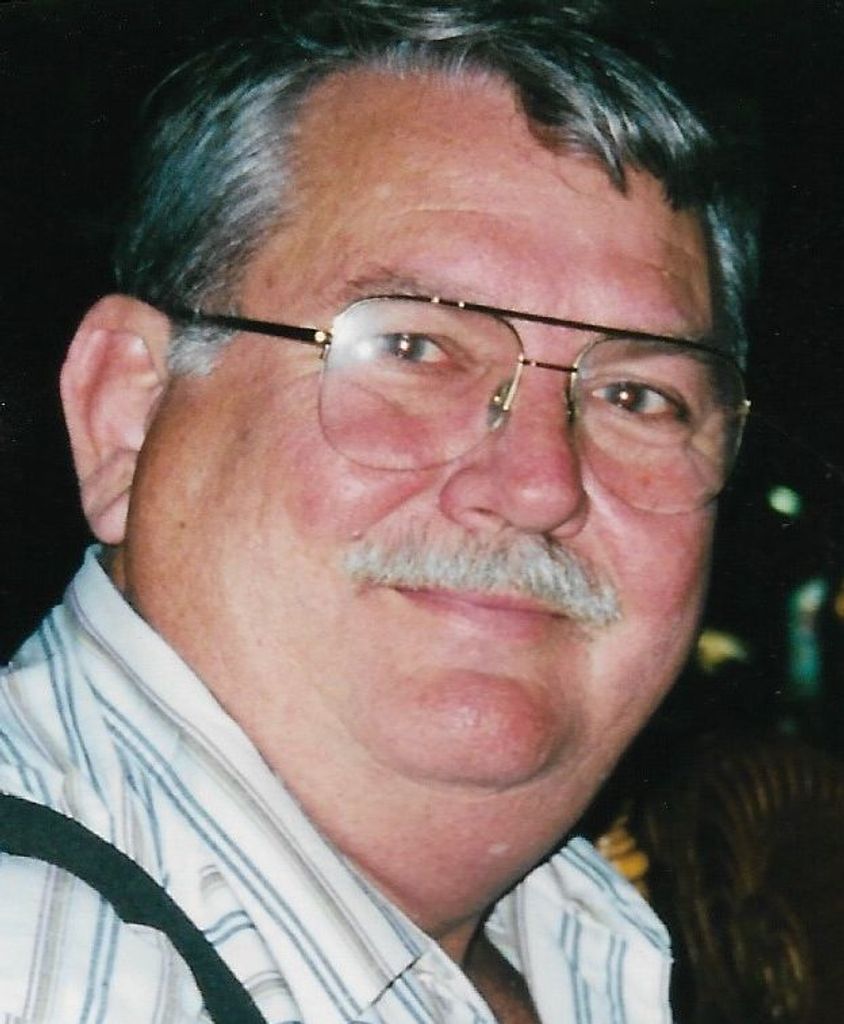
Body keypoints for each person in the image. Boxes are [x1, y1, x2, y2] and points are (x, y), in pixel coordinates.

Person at [0, 1, 756, 1021]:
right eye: (412, 347)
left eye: (637, 396)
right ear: (125, 415)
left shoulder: (589, 942)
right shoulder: (45, 955)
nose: (540, 484)